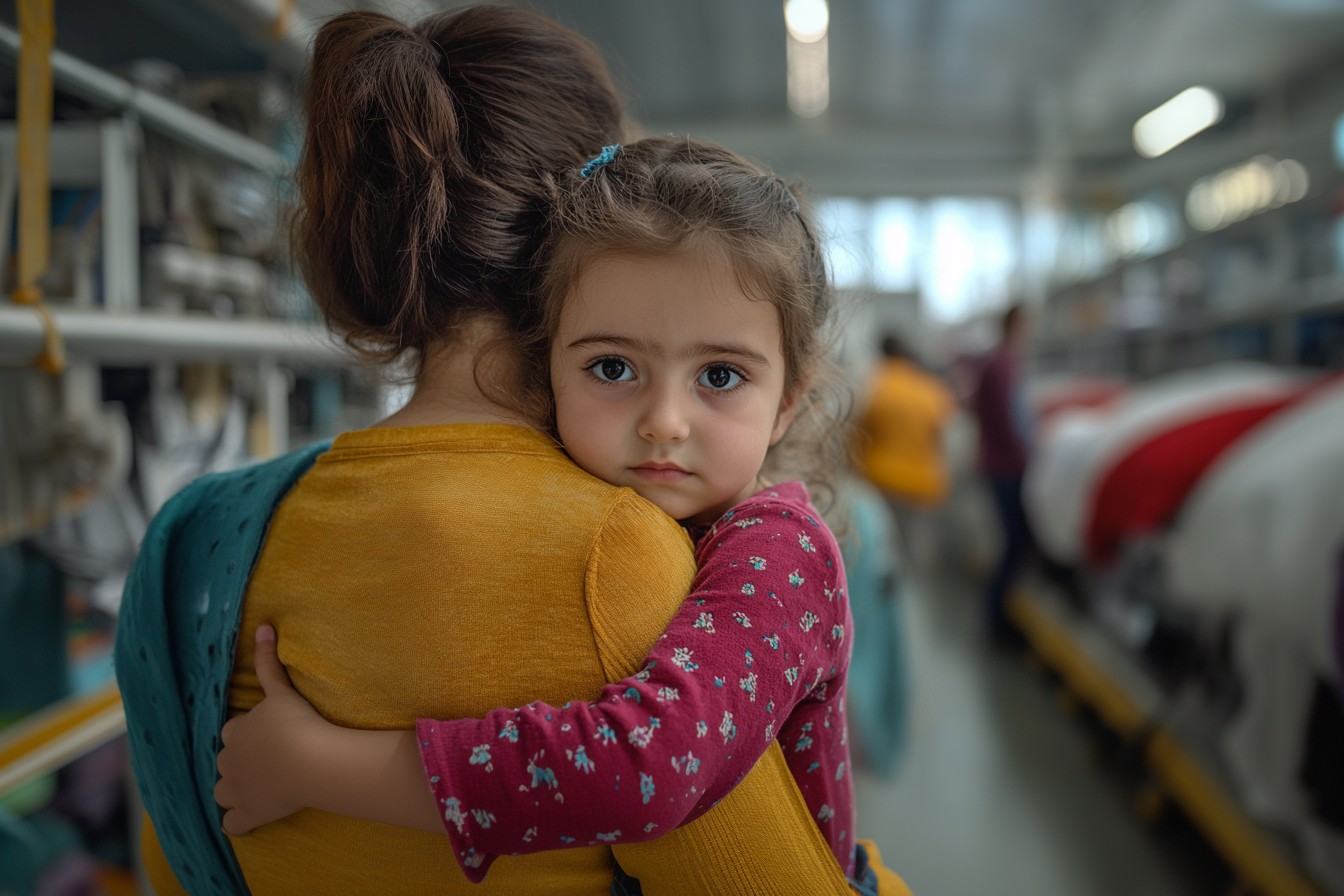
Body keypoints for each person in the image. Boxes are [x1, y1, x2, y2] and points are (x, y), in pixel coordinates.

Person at [114, 8, 894, 896]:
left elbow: (165, 856)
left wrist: (322, 769)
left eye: (720, 376)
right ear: (563, 249)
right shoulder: (617, 552)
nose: (666, 423)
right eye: (615, 367)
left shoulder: (195, 541)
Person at [855, 333, 955, 570]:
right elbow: (943, 441)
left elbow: (858, 436)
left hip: (879, 480)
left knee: (882, 553)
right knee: (915, 554)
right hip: (921, 485)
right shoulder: (931, 389)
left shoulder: (875, 386)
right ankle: (913, 600)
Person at [969, 304, 1035, 643]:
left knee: (1013, 540)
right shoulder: (1004, 366)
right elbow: (1012, 421)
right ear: (1017, 325)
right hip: (1007, 466)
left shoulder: (996, 364)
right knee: (1016, 541)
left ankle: (999, 616)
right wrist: (1031, 455)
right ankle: (996, 620)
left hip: (998, 463)